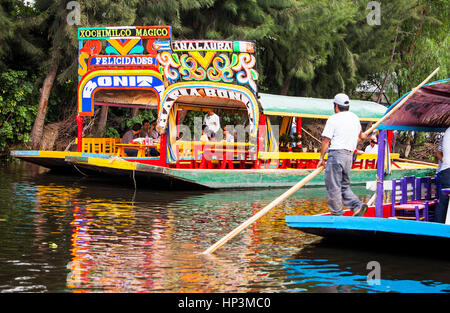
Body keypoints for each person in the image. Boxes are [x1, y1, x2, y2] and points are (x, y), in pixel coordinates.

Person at [317, 93, 368, 216]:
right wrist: (366, 135)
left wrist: (321, 158)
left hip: (336, 155)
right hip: (348, 157)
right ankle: (357, 206)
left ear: (336, 106)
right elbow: (362, 136)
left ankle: (337, 214)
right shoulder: (355, 118)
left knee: (333, 185)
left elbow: (326, 140)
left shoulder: (334, 118)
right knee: (344, 186)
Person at [436, 127, 450, 223]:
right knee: (444, 203)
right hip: (447, 171)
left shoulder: (447, 131)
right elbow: (438, 153)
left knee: (443, 204)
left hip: (446, 170)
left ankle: (438, 228)